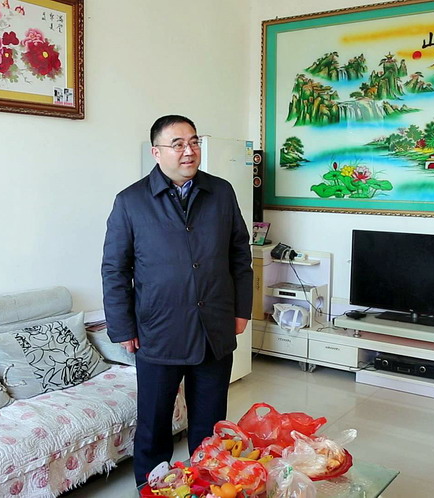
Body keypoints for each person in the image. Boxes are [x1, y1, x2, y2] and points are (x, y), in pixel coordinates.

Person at [102, 115, 253, 484]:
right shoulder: (131, 201)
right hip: (159, 330)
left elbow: (239, 255)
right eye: (178, 144)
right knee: (154, 422)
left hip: (213, 326)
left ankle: (207, 483)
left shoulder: (221, 192)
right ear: (156, 153)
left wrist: (241, 310)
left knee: (210, 421)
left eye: (194, 141)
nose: (189, 151)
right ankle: (150, 486)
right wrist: (122, 327)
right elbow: (115, 269)